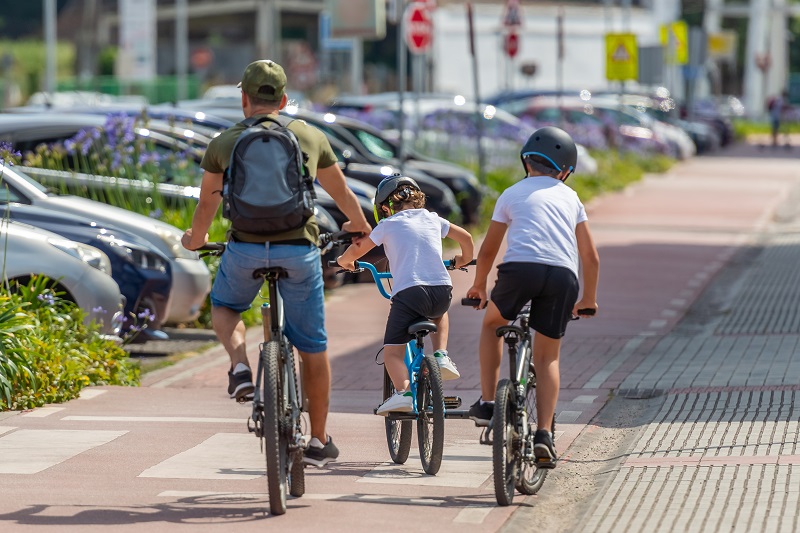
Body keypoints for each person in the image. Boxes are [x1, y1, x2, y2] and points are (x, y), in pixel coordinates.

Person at [181, 59, 372, 467]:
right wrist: (359, 226)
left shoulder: (224, 141)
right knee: (313, 348)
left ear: (245, 100)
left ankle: (240, 368)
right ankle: (319, 439)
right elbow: (341, 194)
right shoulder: (309, 135)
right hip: (297, 250)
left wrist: (195, 239)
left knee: (226, 306)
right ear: (284, 99)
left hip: (245, 248)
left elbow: (207, 202)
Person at [465, 126, 600, 469]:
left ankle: (488, 402)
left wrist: (479, 286)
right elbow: (591, 257)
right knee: (548, 358)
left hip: (519, 271)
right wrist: (588, 299)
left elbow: (489, 249)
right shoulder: (571, 198)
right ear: (566, 171)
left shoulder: (511, 193)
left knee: (492, 324)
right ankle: (543, 434)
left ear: (526, 161)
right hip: (562, 277)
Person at [336, 174, 474, 414]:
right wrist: (464, 259)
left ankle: (405, 393)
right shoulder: (433, 218)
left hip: (409, 294)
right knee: (440, 313)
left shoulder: (388, 225)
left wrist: (344, 261)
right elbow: (467, 237)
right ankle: (441, 355)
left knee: (392, 353)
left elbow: (358, 249)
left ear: (385, 208)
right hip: (442, 289)